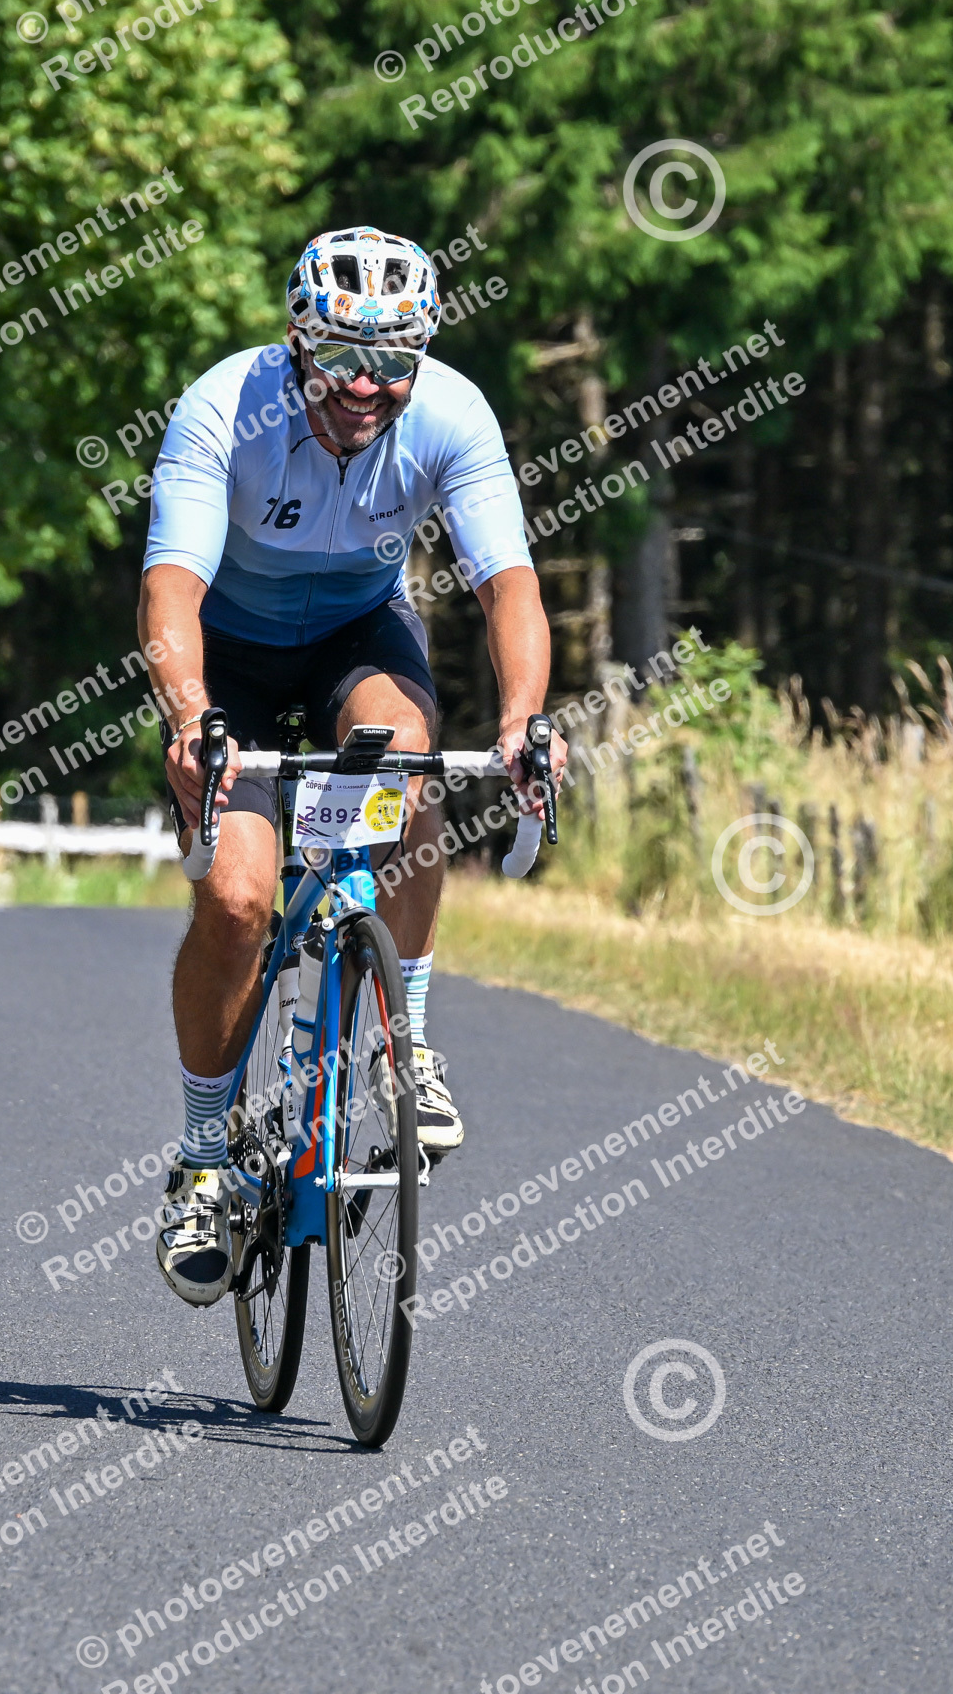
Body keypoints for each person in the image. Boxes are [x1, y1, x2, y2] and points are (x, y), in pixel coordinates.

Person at [137, 224, 566, 1305]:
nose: (367, 384)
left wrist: (521, 721)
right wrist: (190, 717)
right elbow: (170, 590)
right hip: (230, 660)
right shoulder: (224, 408)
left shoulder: (452, 413)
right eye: (340, 356)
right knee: (237, 901)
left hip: (356, 639)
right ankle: (201, 1159)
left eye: (393, 359)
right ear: (296, 344)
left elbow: (507, 583)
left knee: (409, 770)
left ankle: (401, 1043)